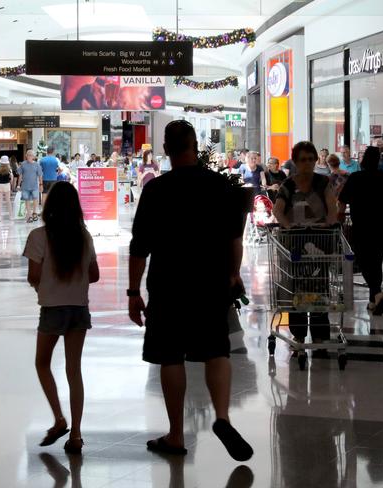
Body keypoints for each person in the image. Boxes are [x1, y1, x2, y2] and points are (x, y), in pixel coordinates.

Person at [128, 120, 253, 461]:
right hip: (211, 282)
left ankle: (176, 435)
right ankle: (223, 417)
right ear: (195, 146)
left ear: (166, 149)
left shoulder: (156, 190)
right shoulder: (221, 188)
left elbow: (139, 247)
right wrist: (232, 274)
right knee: (217, 351)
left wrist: (132, 292)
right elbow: (235, 240)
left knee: (170, 356)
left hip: (168, 285)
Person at [23, 181, 100, 455]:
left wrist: (46, 285)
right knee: (73, 370)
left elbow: (33, 276)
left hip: (52, 309)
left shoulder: (38, 236)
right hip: (78, 309)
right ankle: (76, 435)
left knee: (42, 363)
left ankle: (58, 419)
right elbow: (95, 275)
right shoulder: (84, 236)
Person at [272, 141, 338, 354]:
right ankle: (299, 335)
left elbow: (331, 206)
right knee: (297, 287)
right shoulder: (288, 185)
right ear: (295, 161)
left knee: (319, 286)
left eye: (311, 158)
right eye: (303, 159)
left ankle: (319, 336)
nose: (308, 163)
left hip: (320, 241)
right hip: (295, 243)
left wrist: (329, 222)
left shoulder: (323, 182)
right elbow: (278, 210)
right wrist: (288, 225)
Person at [339, 146, 383, 315]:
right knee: (375, 261)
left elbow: (342, 200)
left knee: (365, 261)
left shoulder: (356, 178)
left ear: (364, 160)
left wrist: (340, 216)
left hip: (363, 226)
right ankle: (374, 299)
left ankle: (377, 295)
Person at [18, 149, 43, 224]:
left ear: (34, 157)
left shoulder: (37, 165)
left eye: (31, 155)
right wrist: (18, 185)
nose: (29, 156)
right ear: (26, 156)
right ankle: (29, 215)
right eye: (28, 155)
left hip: (34, 186)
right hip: (25, 186)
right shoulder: (23, 164)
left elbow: (40, 175)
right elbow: (20, 175)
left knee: (35, 199)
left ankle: (34, 212)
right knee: (27, 200)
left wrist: (41, 184)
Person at [327, 154, 349, 222]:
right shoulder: (348, 174)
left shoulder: (329, 178)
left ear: (328, 164)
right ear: (339, 163)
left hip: (334, 205)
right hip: (346, 205)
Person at [0, 156, 14, 222]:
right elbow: (11, 178)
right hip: (7, 185)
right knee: (8, 201)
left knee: (0, 201)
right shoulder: (9, 169)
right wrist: (11, 185)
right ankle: (11, 216)